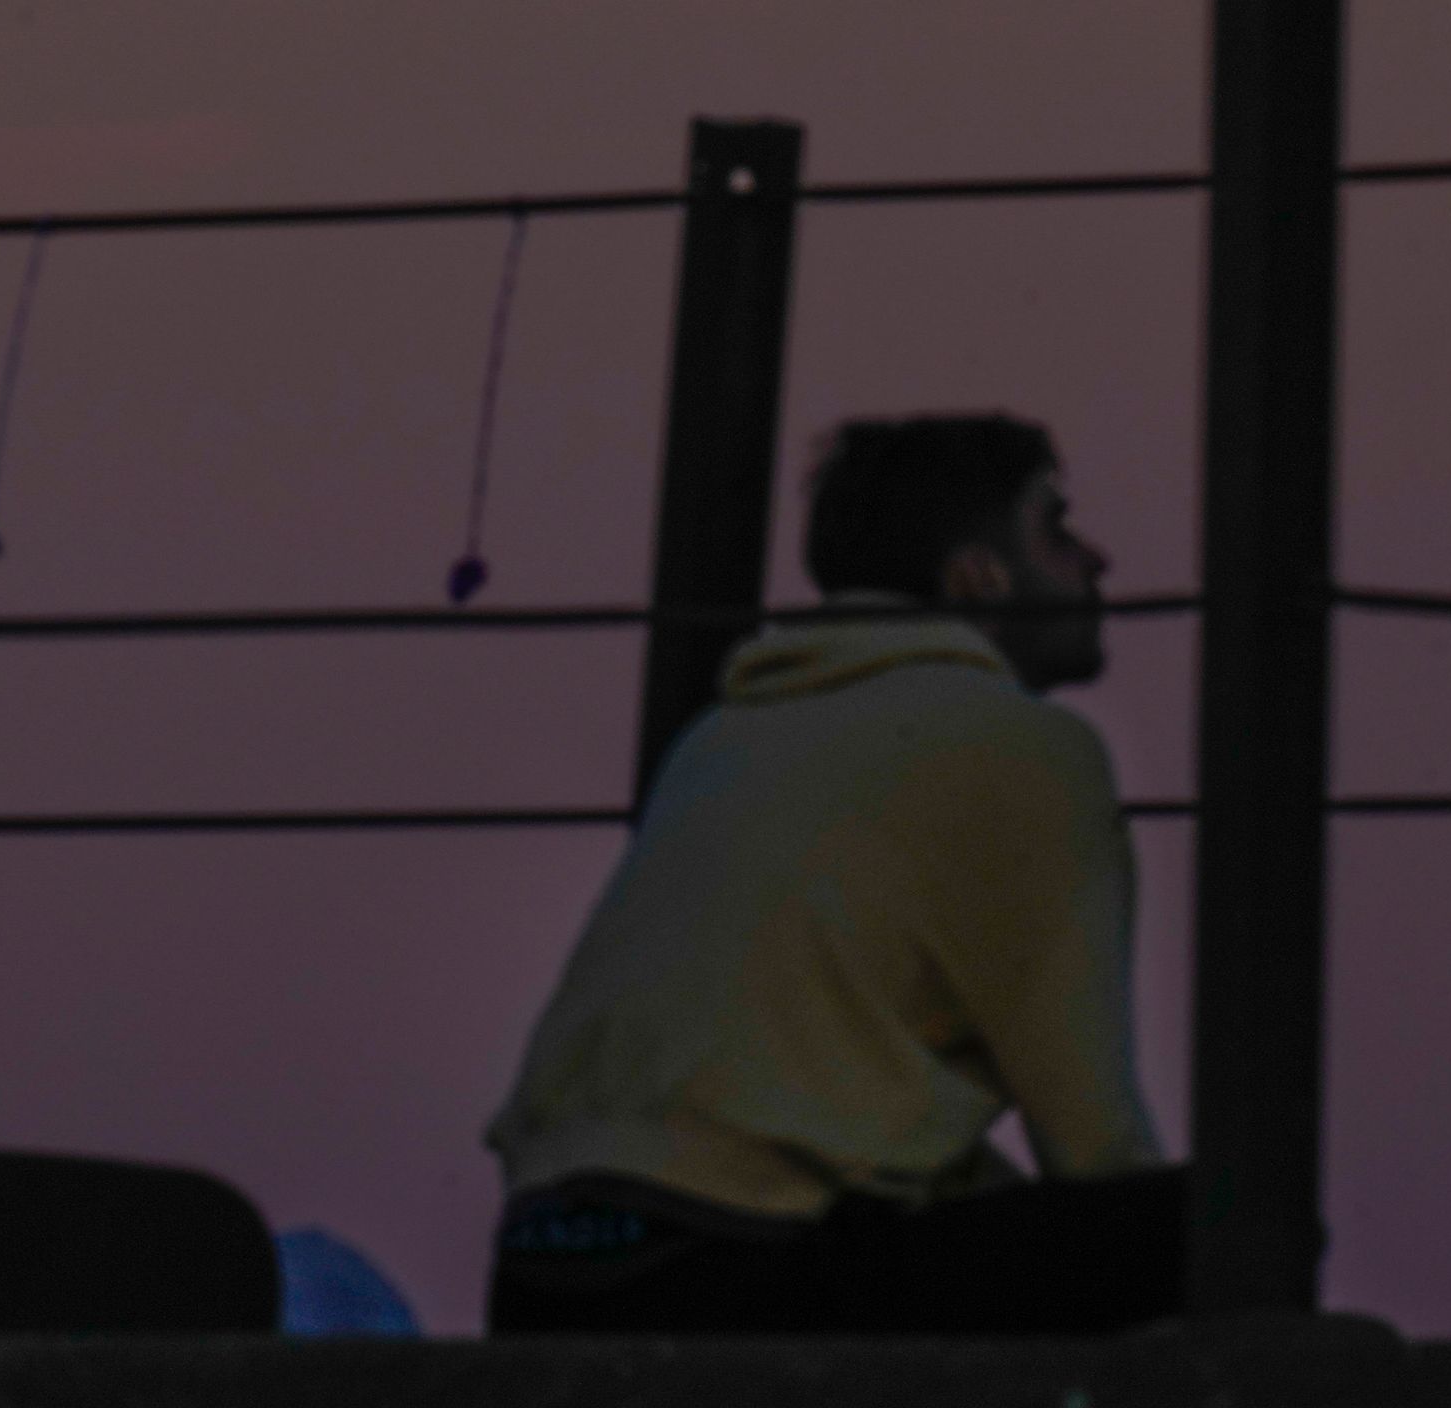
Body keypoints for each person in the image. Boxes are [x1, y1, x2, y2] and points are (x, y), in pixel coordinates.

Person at [481, 413, 1183, 1336]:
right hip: (734, 1264)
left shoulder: (725, 733)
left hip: (544, 1273)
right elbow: (1093, 1145)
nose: (1098, 560)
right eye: (1054, 527)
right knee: (1220, 1226)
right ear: (980, 574)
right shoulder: (1024, 751)